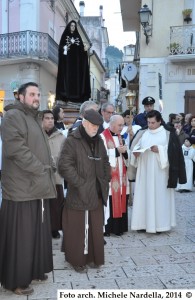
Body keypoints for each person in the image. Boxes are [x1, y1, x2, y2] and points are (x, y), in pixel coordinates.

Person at [0, 82, 56, 295]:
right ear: (20, 97)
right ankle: (16, 281)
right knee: (20, 238)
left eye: (38, 94)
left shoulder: (33, 118)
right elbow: (16, 150)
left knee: (34, 234)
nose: (36, 97)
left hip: (36, 185)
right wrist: (40, 168)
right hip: (21, 189)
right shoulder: (13, 117)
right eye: (32, 94)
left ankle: (32, 271)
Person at [58, 109, 110, 273]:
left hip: (96, 191)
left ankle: (93, 258)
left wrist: (105, 177)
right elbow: (64, 165)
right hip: (79, 192)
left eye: (98, 126)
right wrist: (80, 183)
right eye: (93, 125)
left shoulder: (99, 141)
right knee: (78, 228)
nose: (96, 129)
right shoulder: (72, 140)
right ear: (85, 123)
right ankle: (77, 260)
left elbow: (105, 161)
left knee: (95, 227)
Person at [129, 110, 186, 233]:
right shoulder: (143, 133)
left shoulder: (167, 133)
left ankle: (160, 225)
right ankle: (142, 224)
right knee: (143, 196)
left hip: (161, 172)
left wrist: (160, 150)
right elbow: (135, 147)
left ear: (160, 121)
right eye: (148, 122)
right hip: (144, 171)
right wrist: (136, 153)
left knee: (160, 198)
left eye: (153, 123)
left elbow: (174, 152)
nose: (150, 125)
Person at [101, 114, 129, 236]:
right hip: (110, 177)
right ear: (112, 124)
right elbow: (102, 155)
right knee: (110, 200)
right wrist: (117, 151)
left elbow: (126, 155)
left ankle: (120, 228)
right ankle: (108, 228)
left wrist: (125, 152)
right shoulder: (102, 137)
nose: (122, 127)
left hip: (121, 174)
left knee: (122, 196)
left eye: (123, 125)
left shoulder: (121, 137)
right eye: (120, 125)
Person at [42, 110, 65, 239]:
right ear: (41, 120)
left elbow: (66, 154)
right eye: (47, 118)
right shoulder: (37, 135)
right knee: (43, 204)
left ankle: (54, 228)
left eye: (51, 118)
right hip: (41, 176)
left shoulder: (61, 136)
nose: (50, 120)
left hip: (56, 176)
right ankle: (42, 228)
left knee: (56, 204)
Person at [55, 20, 91, 103]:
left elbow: (82, 51)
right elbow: (61, 48)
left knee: (77, 81)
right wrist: (65, 48)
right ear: (69, 26)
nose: (73, 27)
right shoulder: (65, 36)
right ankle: (66, 96)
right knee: (67, 80)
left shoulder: (78, 37)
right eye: (71, 25)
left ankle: (78, 98)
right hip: (67, 64)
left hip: (77, 65)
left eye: (74, 26)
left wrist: (85, 50)